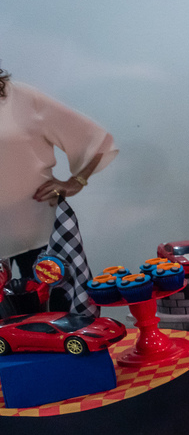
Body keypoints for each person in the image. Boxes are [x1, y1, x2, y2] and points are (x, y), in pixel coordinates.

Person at [0, 64, 116, 307]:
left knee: (62, 322)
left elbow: (95, 138)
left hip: (41, 234)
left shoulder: (21, 98)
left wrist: (77, 181)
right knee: (8, 337)